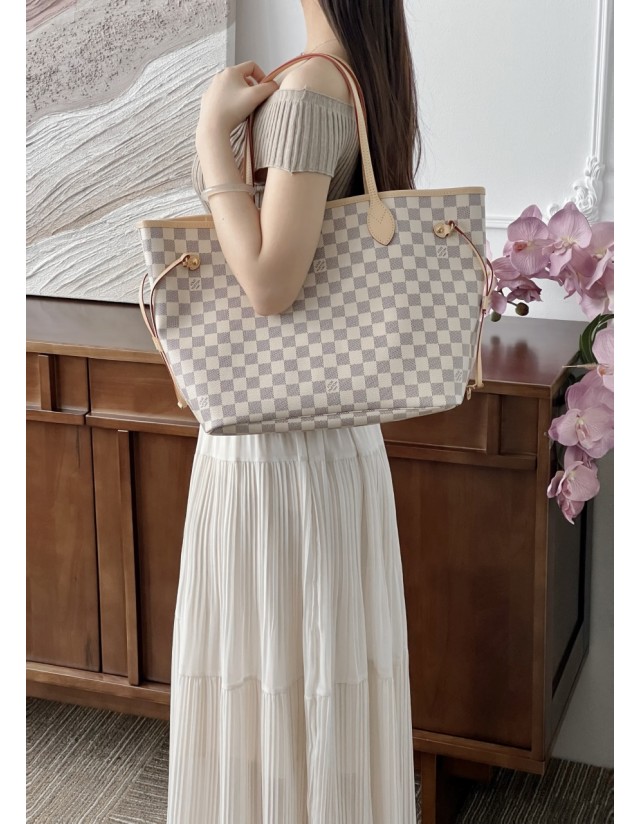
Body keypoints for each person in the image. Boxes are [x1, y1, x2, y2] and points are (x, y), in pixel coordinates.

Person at [167, 1, 422, 821]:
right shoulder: (366, 77)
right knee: (320, 680)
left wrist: (211, 139)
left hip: (275, 450)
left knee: (272, 678)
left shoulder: (311, 87)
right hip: (334, 439)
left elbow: (270, 285)